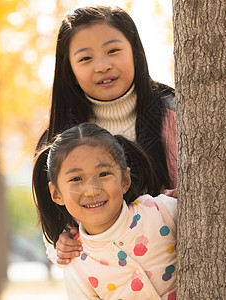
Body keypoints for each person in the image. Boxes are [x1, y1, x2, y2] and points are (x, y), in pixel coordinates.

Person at [37, 5, 178, 265]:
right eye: (85, 59)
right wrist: (61, 245)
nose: (102, 66)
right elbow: (54, 223)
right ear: (69, 70)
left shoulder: (175, 115)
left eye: (113, 51)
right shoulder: (56, 141)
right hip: (105, 281)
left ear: (135, 52)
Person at [32, 123, 177, 299]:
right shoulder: (77, 266)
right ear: (56, 194)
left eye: (103, 174)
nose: (92, 189)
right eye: (76, 178)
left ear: (125, 180)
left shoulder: (161, 212)